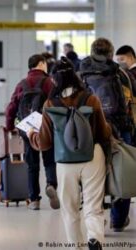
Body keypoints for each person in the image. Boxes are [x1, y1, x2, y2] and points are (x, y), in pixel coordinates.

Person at [28, 57, 111, 250]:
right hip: (93, 156)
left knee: (70, 208)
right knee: (93, 205)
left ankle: (77, 247)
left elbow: (45, 143)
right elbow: (103, 133)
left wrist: (32, 134)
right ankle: (95, 239)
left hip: (65, 161)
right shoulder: (91, 98)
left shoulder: (50, 104)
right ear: (75, 77)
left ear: (55, 80)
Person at [79, 38, 133, 233]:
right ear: (111, 54)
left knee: (93, 175)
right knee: (122, 171)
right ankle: (118, 220)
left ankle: (96, 219)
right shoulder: (120, 74)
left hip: (89, 128)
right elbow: (129, 103)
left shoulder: (81, 72)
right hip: (118, 128)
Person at [5, 54, 59, 210]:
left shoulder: (22, 84)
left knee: (32, 165)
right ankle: (51, 184)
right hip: (46, 128)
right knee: (49, 161)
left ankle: (34, 199)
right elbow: (56, 103)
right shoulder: (49, 82)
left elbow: (11, 107)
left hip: (28, 128)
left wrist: (9, 127)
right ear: (41, 64)